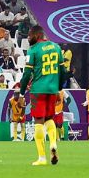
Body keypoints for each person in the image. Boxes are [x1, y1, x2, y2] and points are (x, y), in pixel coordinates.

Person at [15, 24, 68, 166]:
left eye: (30, 35)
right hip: (52, 90)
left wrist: (21, 93)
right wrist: (58, 89)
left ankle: (42, 158)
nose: (28, 37)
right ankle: (53, 144)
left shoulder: (33, 50)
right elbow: (63, 72)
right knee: (50, 119)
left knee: (38, 121)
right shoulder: (56, 47)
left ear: (37, 35)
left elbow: (26, 74)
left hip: (38, 90)